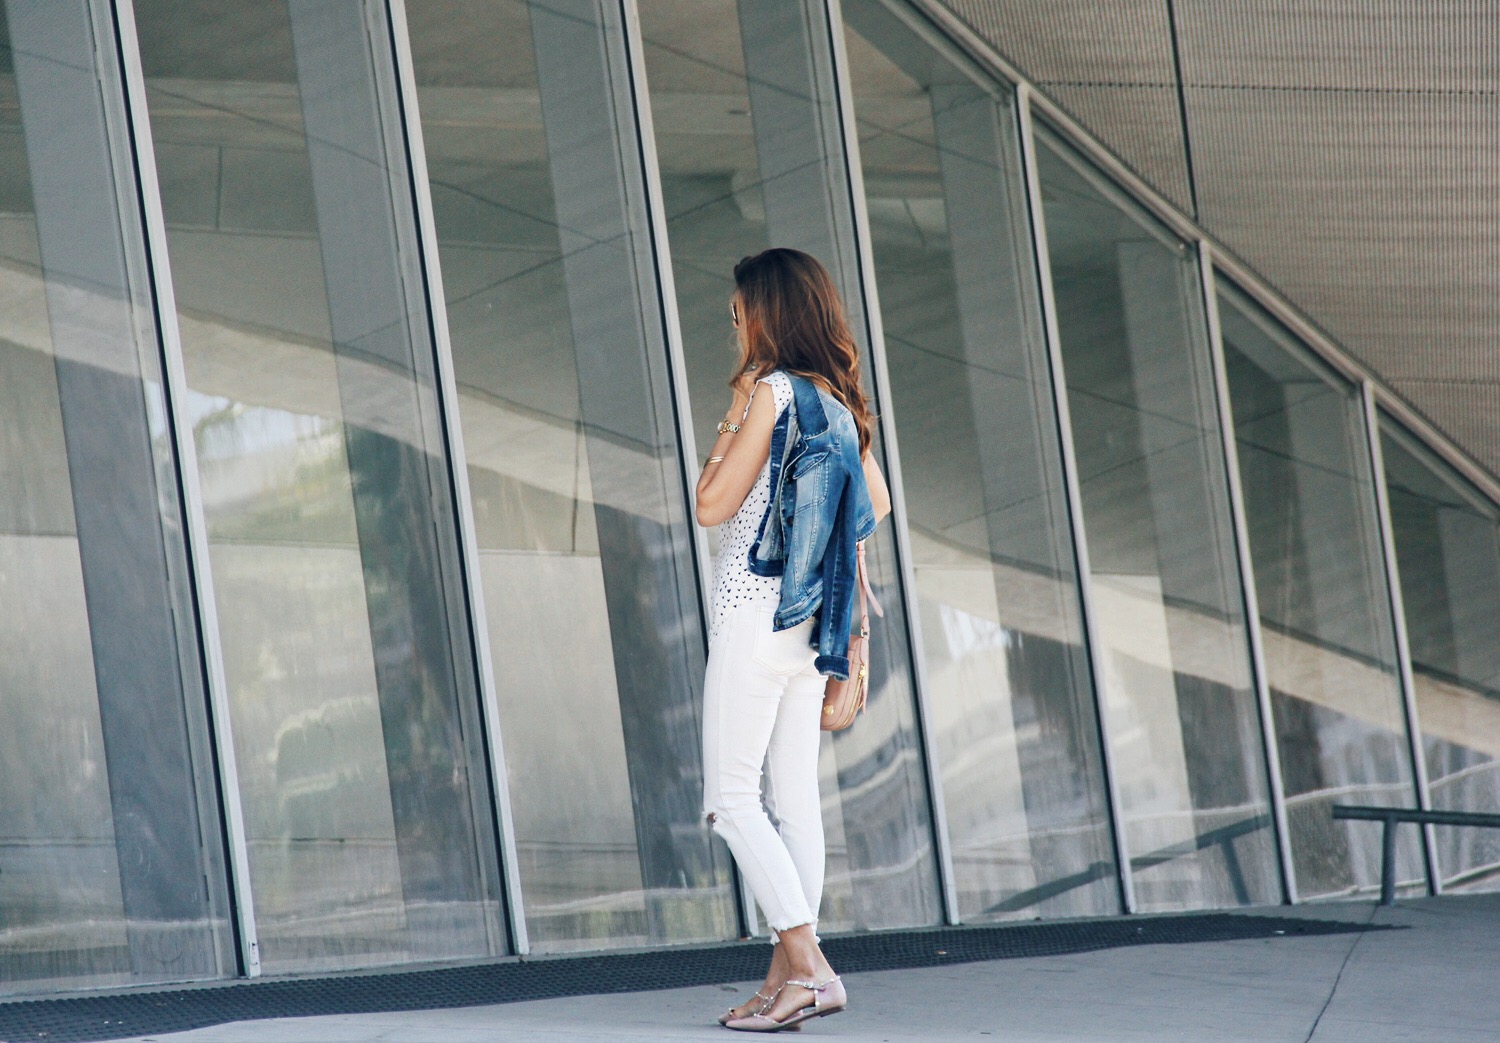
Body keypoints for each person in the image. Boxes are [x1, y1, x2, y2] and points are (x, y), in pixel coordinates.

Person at [696, 248, 891, 1032]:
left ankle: (810, 968)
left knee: (730, 800)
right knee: (794, 801)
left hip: (756, 611)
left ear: (767, 316)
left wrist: (734, 413)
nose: (734, 325)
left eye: (740, 313)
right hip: (814, 627)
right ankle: (786, 982)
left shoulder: (773, 393)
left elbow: (713, 503)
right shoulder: (835, 401)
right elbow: (872, 505)